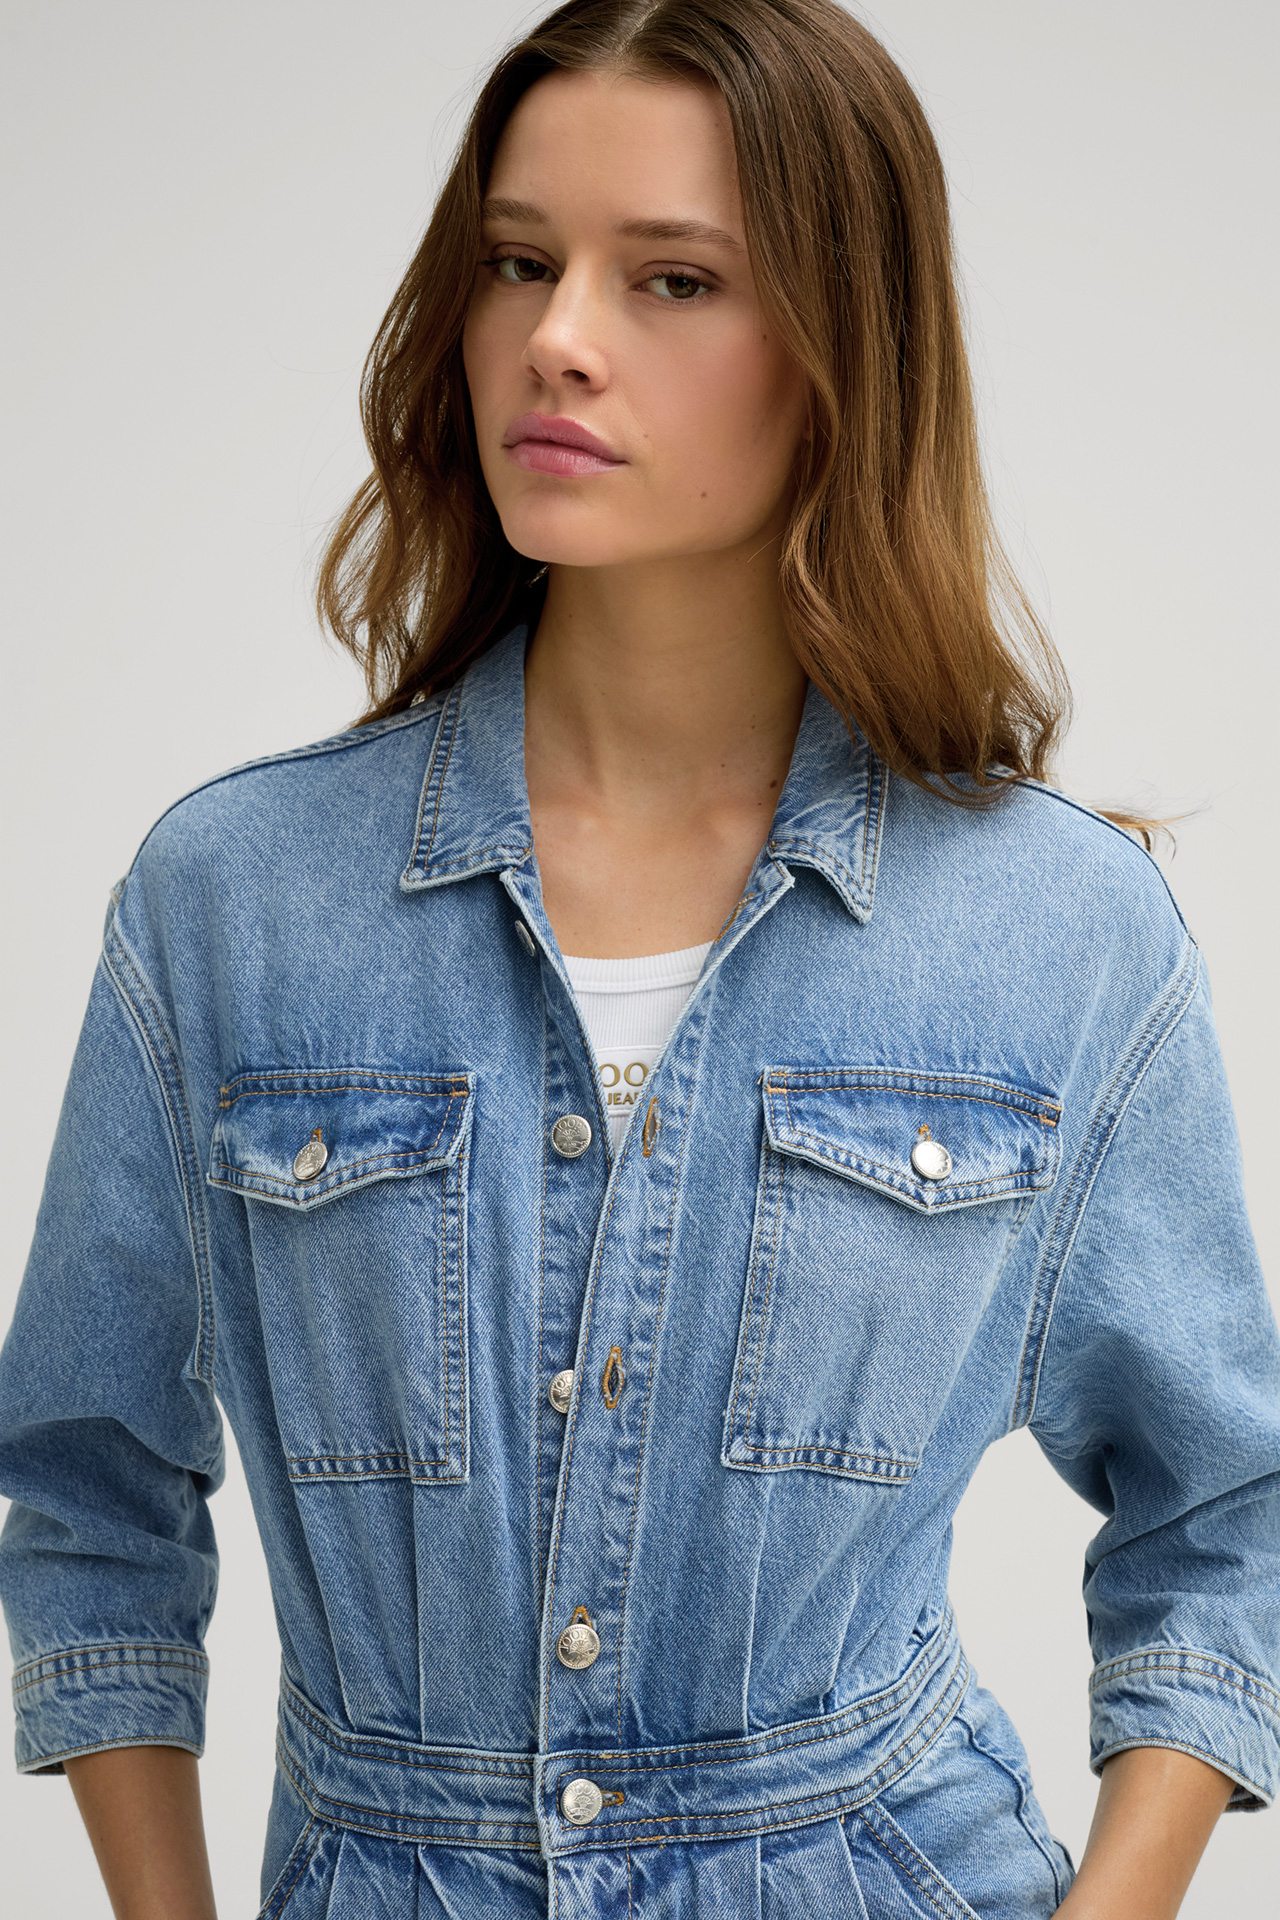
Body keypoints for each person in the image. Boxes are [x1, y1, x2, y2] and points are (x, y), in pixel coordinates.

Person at [1, 1, 1277, 1915]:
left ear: (843, 354)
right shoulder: (233, 901)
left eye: (671, 278)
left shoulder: (1062, 933)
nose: (559, 337)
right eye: (519, 262)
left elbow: (1228, 1514)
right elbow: (91, 1485)